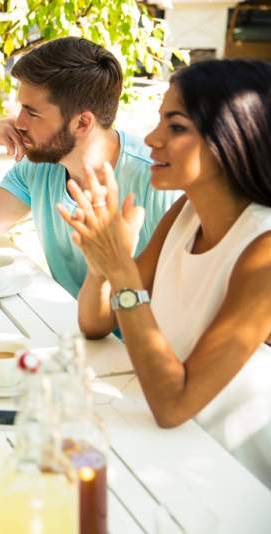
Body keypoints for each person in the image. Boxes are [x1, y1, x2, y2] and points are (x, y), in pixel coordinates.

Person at [57, 59, 271, 487]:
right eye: (159, 122)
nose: (152, 139)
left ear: (231, 139)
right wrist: (102, 268)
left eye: (176, 127)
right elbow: (97, 323)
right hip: (164, 445)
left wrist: (121, 267)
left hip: (228, 476)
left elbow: (174, 405)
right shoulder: (186, 212)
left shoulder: (262, 250)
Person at [0, 37, 179, 297]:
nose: (18, 123)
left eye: (32, 112)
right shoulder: (41, 167)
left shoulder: (160, 182)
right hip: (70, 328)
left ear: (82, 123)